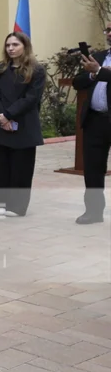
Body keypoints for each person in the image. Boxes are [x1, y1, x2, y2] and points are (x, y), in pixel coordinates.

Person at [0, 31, 45, 218]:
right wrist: (1, 117)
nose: (10, 48)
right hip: (0, 122)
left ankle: (17, 206)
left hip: (24, 123)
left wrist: (9, 114)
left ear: (25, 47)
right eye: (8, 45)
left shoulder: (36, 70)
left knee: (21, 167)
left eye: (15, 45)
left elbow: (31, 98)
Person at [73, 20, 111, 224]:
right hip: (95, 120)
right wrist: (90, 73)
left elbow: (102, 74)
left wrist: (99, 72)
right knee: (93, 170)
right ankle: (94, 212)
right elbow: (77, 82)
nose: (109, 33)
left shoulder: (99, 64)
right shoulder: (98, 57)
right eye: (108, 29)